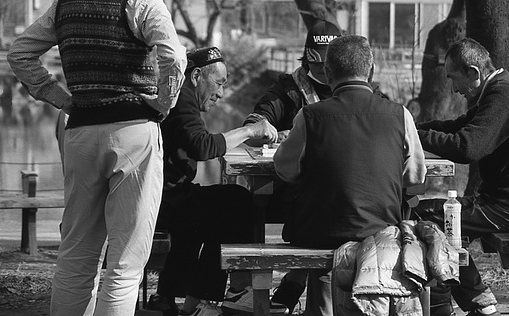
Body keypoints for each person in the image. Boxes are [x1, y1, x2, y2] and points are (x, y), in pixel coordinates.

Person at [7, 0, 188, 315]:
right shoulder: (143, 2)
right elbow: (176, 59)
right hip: (134, 131)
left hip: (81, 130)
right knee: (125, 260)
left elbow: (20, 53)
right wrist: (163, 103)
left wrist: (60, 98)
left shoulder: (66, 1)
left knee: (77, 251)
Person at [273, 35, 426, 316]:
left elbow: (285, 169)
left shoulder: (310, 115)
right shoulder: (400, 114)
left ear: (329, 73)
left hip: (320, 231)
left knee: (316, 234)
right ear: (371, 71)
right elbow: (415, 176)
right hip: (381, 230)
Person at [413, 38, 509, 316]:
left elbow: (467, 147)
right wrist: (411, 128)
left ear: (473, 73)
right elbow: (458, 126)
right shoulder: (501, 89)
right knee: (443, 219)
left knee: (421, 215)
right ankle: (473, 299)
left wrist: (415, 136)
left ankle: (467, 301)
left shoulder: (504, 96)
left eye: (454, 79)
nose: (454, 89)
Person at [147, 47, 284, 316]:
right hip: (160, 199)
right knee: (237, 201)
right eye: (219, 83)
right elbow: (202, 146)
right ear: (196, 75)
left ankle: (185, 298)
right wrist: (249, 130)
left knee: (221, 205)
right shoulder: (181, 100)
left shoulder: (179, 95)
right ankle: (230, 293)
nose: (221, 93)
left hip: (164, 194)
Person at [242, 19, 342, 312]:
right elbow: (254, 123)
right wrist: (270, 131)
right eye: (318, 64)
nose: (324, 71)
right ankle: (295, 284)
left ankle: (294, 281)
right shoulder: (288, 89)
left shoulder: (357, 88)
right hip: (297, 194)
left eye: (329, 65)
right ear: (307, 57)